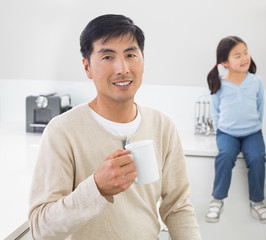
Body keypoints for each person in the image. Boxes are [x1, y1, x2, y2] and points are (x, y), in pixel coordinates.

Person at [28, 14, 202, 240]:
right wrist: (96, 188)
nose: (122, 68)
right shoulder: (62, 131)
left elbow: (178, 209)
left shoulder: (162, 126)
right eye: (108, 57)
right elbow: (41, 229)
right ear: (87, 67)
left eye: (130, 55)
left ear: (142, 60)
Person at [205, 36, 266, 224]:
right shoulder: (219, 83)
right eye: (237, 55)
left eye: (246, 52)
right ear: (225, 62)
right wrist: (222, 130)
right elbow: (216, 111)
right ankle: (217, 200)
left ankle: (257, 203)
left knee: (258, 158)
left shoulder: (256, 81)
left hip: (252, 133)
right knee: (225, 156)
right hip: (227, 133)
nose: (244, 58)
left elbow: (260, 107)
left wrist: (254, 127)